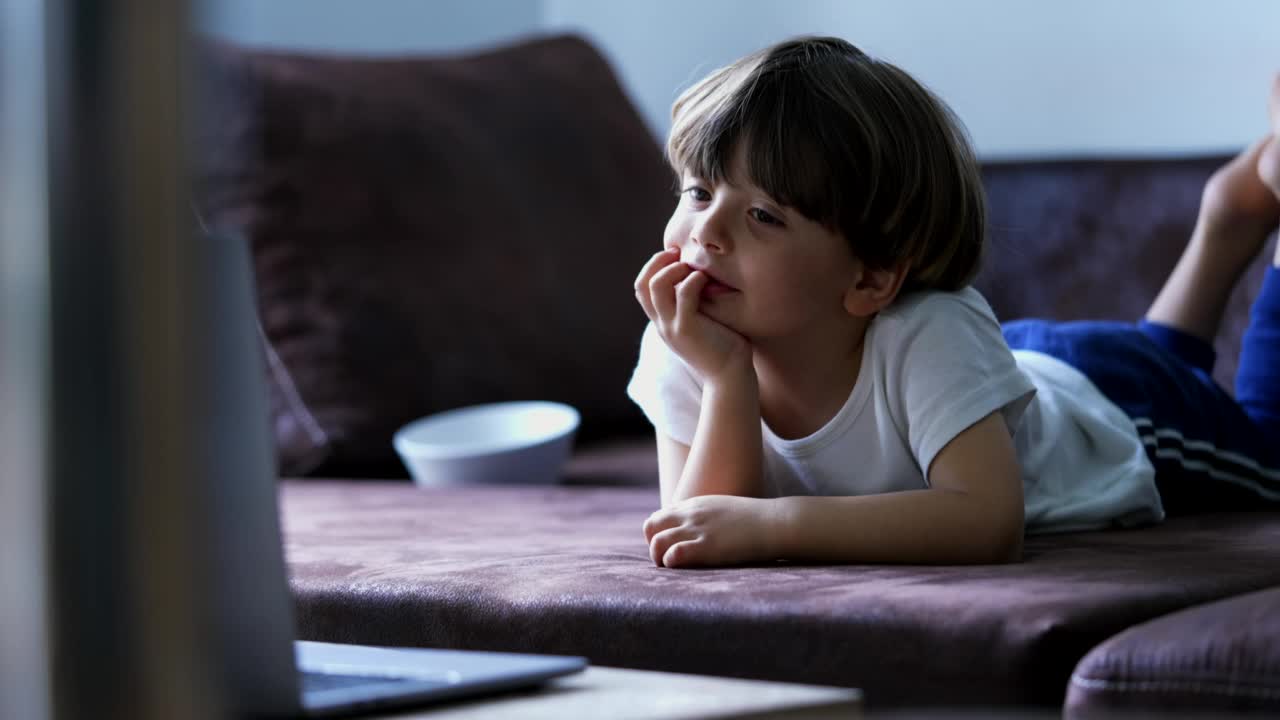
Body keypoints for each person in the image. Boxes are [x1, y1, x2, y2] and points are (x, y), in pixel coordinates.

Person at [626, 35, 1280, 568]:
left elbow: (986, 522)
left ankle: (1245, 230)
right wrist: (725, 381)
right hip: (1007, 371)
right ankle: (1224, 221)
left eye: (764, 215)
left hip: (1121, 410)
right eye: (699, 193)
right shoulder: (687, 342)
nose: (706, 232)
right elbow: (698, 531)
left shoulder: (928, 331)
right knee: (1157, 359)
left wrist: (778, 525)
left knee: (1267, 456)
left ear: (871, 279)